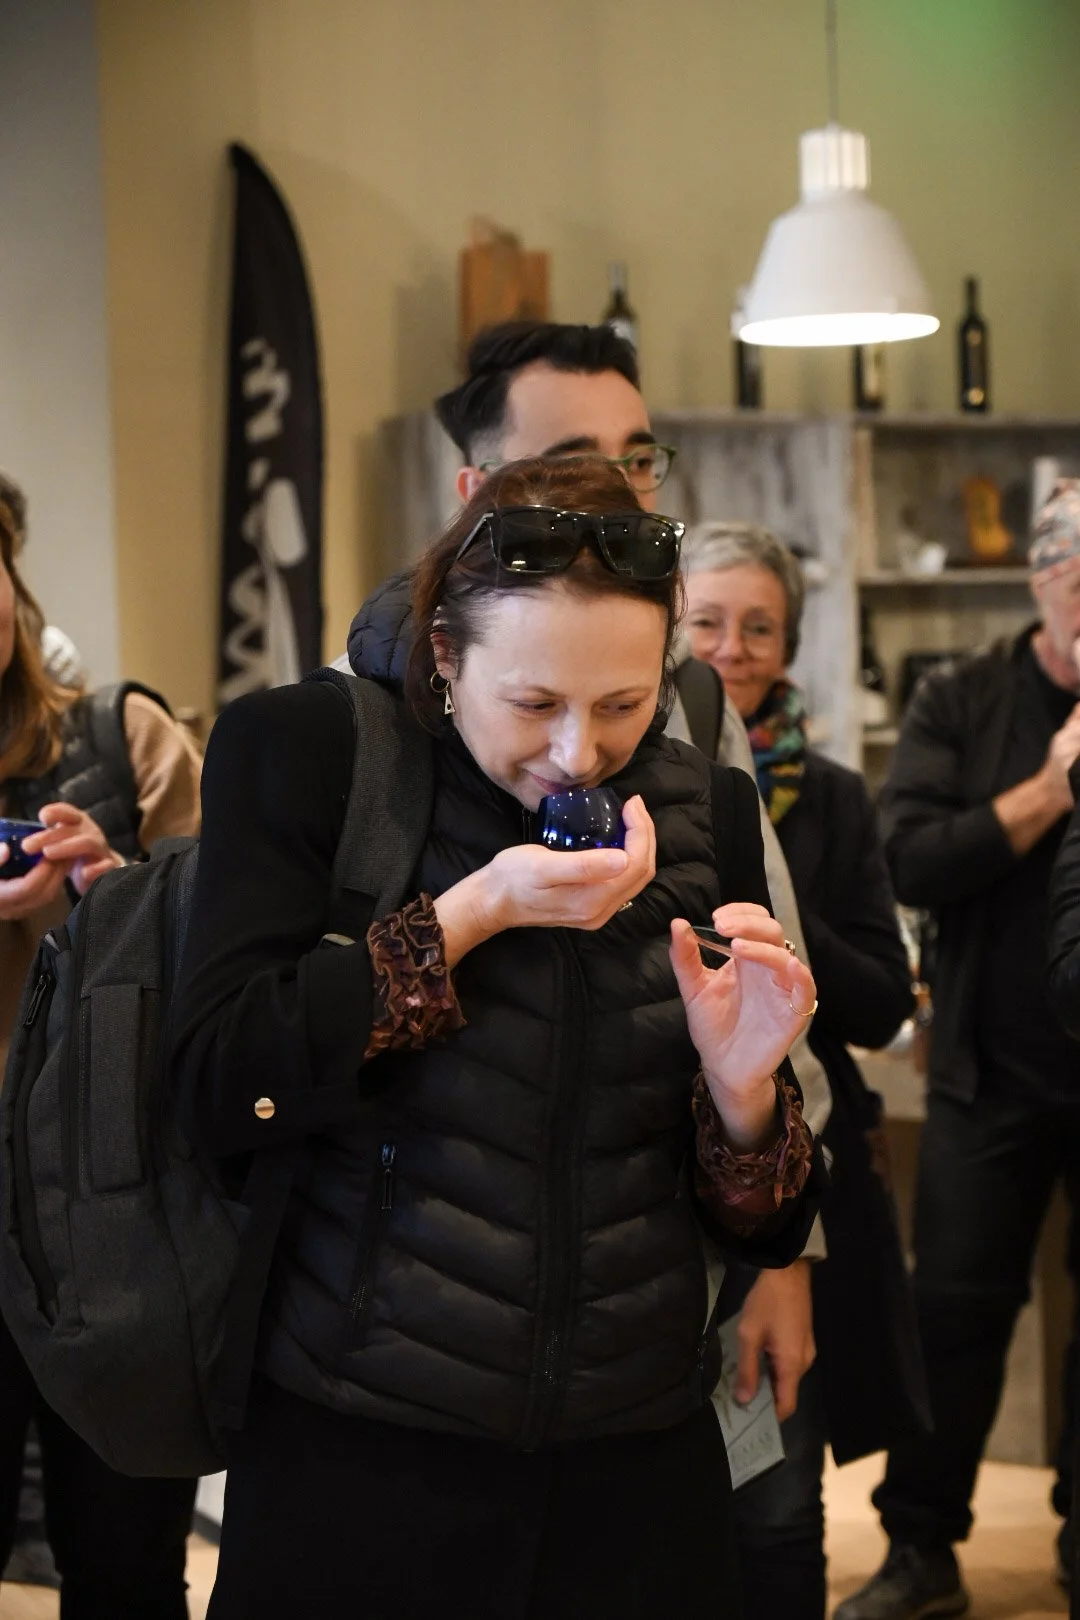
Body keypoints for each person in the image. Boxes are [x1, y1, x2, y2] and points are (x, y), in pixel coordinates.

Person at [172, 455, 822, 1618]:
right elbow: (222, 1080)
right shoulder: (315, 755)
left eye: (623, 706)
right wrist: (471, 915)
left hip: (637, 1468)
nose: (577, 753)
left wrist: (746, 1093)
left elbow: (760, 1219)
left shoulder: (705, 809)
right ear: (444, 654)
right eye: (533, 704)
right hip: (360, 1453)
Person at [348, 318, 828, 1430]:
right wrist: (473, 914)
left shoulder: (697, 736)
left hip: (644, 1375)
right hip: (394, 1385)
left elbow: (768, 1008)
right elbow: (255, 1061)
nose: (613, 494)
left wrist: (781, 1229)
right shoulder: (354, 738)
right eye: (566, 465)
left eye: (637, 459)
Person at [839, 477, 1080, 1620]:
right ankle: (921, 1547)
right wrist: (1054, 789)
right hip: (990, 1068)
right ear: (1042, 580)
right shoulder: (962, 698)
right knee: (954, 1313)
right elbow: (913, 861)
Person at [682, 522, 920, 1617]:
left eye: (759, 628)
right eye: (707, 622)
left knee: (778, 1487)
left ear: (789, 645)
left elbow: (878, 1000)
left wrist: (770, 915)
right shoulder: (640, 787)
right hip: (679, 1157)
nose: (731, 648)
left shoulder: (829, 794)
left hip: (801, 1158)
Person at [0, 473, 202, 1617]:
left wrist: (111, 891)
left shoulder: (125, 737)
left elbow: (236, 970)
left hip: (118, 1229)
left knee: (127, 1574)